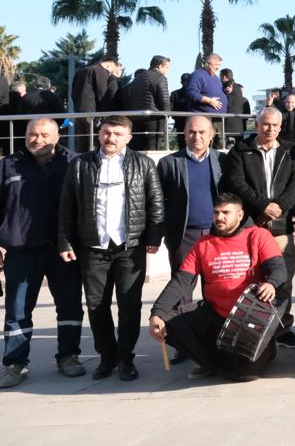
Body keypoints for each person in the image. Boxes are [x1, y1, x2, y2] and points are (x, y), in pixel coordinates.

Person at [57, 115, 164, 381]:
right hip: (93, 247)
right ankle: (107, 357)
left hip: (130, 247)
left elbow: (156, 203)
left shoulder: (144, 164)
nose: (111, 138)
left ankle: (126, 358)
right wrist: (65, 241)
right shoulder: (80, 165)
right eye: (106, 132)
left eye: (118, 133)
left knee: (129, 305)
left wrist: (153, 237)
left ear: (128, 137)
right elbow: (67, 206)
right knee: (96, 306)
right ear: (99, 134)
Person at [148, 193, 286, 382]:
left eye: (226, 212)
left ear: (239, 215)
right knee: (169, 322)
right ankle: (211, 361)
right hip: (215, 313)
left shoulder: (259, 235)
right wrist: (157, 312)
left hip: (250, 317)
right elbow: (181, 281)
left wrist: (271, 284)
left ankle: (266, 350)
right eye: (216, 212)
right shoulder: (203, 244)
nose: (219, 217)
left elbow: (278, 269)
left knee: (246, 375)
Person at [0, 119, 84, 387]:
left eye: (44, 135)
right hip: (21, 249)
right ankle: (15, 364)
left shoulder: (74, 163)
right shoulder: (8, 165)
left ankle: (69, 356)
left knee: (70, 306)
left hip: (64, 250)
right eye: (32, 135)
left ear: (57, 136)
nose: (37, 139)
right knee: (17, 310)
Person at [220, 107, 295, 349]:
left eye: (275, 125)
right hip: (251, 223)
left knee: (284, 276)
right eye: (265, 124)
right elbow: (236, 182)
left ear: (280, 127)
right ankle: (252, 326)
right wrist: (262, 206)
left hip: (279, 224)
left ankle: (283, 328)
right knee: (250, 277)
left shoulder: (290, 151)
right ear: (257, 124)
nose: (270, 129)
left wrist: (278, 207)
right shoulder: (240, 150)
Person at [156, 116, 223, 340]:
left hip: (216, 235)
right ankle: (183, 340)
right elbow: (158, 202)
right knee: (181, 291)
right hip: (184, 235)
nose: (197, 136)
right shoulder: (169, 163)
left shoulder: (222, 161)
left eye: (202, 132)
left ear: (211, 135)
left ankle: (212, 336)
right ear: (184, 134)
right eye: (192, 132)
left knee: (215, 289)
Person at [121, 55, 171, 151]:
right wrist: (167, 114)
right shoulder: (160, 78)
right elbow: (164, 100)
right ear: (160, 66)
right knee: (153, 148)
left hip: (136, 118)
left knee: (137, 148)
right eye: (167, 67)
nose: (167, 70)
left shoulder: (139, 77)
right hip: (154, 119)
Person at [184, 53, 227, 121]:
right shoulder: (197, 75)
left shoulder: (216, 78)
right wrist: (209, 101)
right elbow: (191, 92)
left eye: (219, 65)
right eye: (216, 64)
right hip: (203, 119)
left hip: (217, 119)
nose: (218, 67)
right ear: (207, 63)